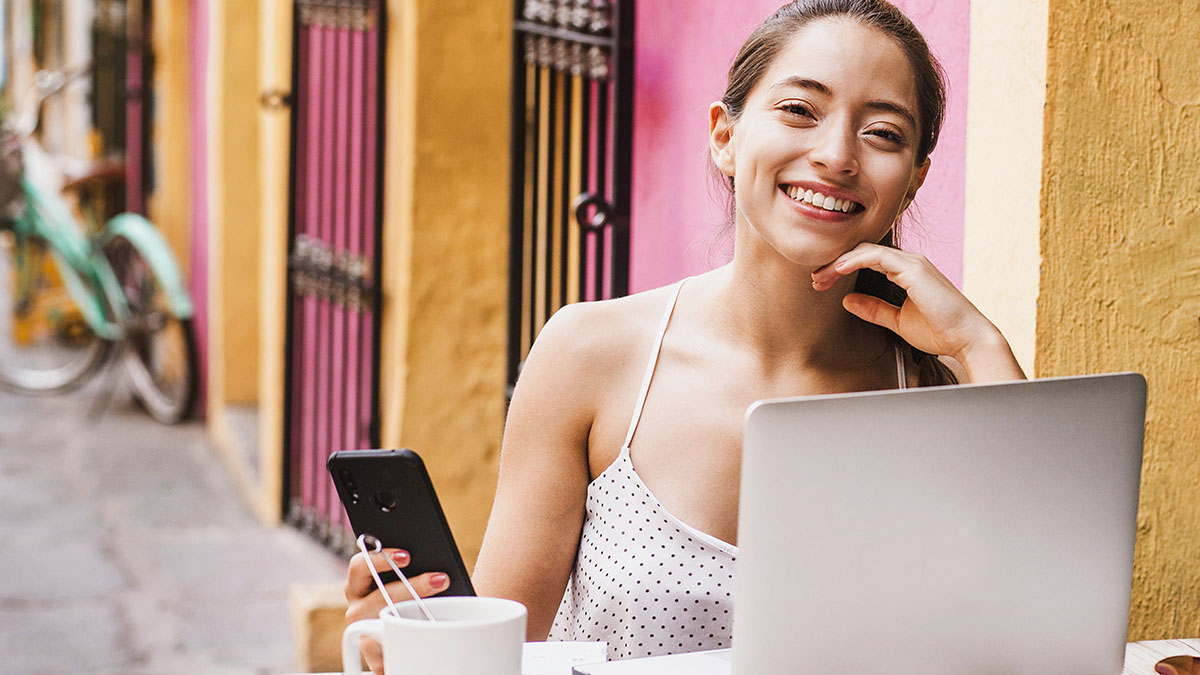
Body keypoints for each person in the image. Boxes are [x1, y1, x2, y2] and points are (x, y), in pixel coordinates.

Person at [345, 0, 1026, 670]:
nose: (836, 155)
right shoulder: (590, 356)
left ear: (913, 181)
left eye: (882, 133)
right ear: (725, 138)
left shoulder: (945, 389)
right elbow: (497, 657)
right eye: (800, 110)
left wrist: (979, 346)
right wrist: (405, 645)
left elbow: (1032, 624)